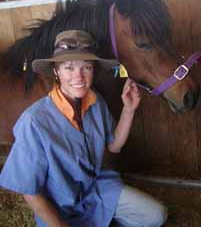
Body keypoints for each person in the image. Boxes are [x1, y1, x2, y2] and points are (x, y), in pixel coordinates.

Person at [0, 30, 167, 227]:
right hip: (59, 207)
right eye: (69, 67)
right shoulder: (34, 122)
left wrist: (129, 109)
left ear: (93, 70)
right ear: (56, 71)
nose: (78, 76)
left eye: (86, 67)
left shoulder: (96, 102)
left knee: (156, 215)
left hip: (97, 190)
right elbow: (30, 193)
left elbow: (114, 146)